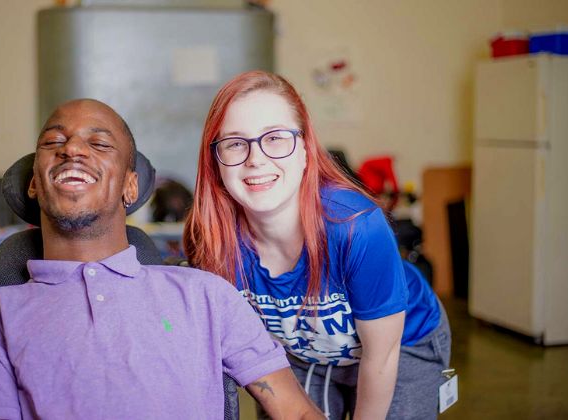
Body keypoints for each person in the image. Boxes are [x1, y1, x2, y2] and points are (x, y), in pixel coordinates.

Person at [0, 99, 324, 419]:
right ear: (33, 183)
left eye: (100, 144)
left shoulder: (208, 296)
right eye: (54, 141)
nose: (72, 149)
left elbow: (297, 411)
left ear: (131, 186)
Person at [184, 71, 451, 419]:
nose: (255, 159)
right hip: (303, 353)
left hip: (400, 347)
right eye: (236, 142)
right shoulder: (212, 240)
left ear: (306, 148)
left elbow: (381, 357)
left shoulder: (355, 227)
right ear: (215, 159)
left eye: (275, 138)